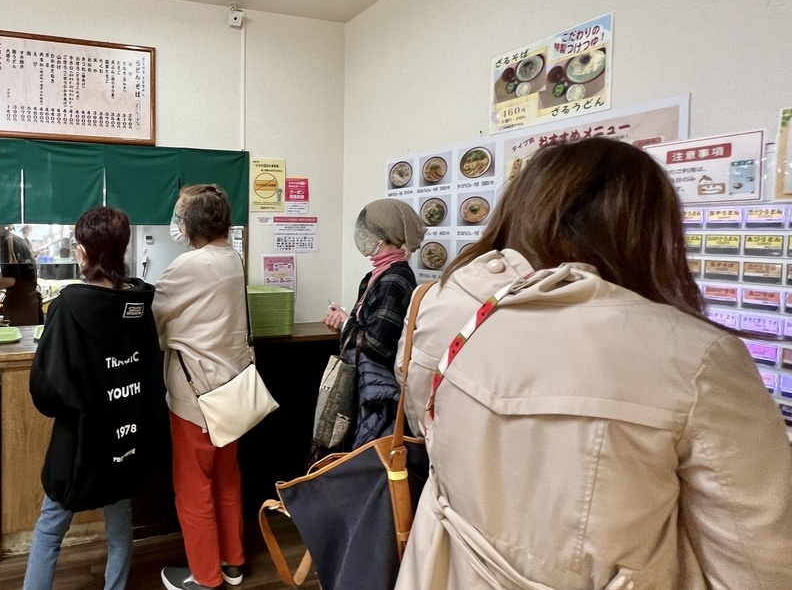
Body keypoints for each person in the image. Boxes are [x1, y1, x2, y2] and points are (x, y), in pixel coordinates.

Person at [394, 139, 792, 590]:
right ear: (648, 229)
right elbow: (758, 563)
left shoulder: (442, 300)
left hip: (442, 565)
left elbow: (428, 424)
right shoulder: (695, 356)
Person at [23, 206, 165, 590]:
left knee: (51, 529)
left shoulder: (69, 304)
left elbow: (47, 389)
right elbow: (153, 377)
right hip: (126, 436)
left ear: (84, 251)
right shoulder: (138, 303)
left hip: (81, 441)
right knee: (120, 525)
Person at [154, 185, 249, 590]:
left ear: (192, 223)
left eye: (180, 216)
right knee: (227, 479)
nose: (176, 224)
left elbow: (156, 321)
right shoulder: (234, 258)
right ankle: (233, 563)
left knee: (194, 489)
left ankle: (205, 577)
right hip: (233, 390)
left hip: (196, 395)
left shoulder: (188, 266)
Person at [322, 198, 425, 451]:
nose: (360, 235)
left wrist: (347, 323)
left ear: (382, 235)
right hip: (365, 382)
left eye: (365, 229)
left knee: (366, 450)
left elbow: (378, 344)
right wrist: (346, 322)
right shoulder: (377, 274)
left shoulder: (395, 277)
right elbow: (368, 326)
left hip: (377, 390)